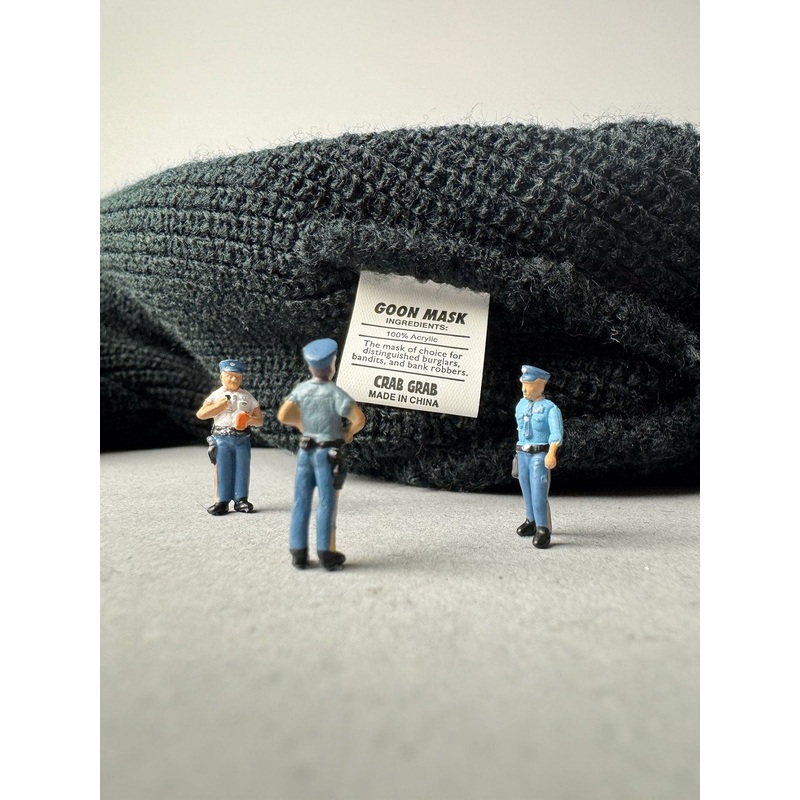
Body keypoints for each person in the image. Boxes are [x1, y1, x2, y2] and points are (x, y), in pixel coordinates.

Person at [277, 338, 366, 571]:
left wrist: (303, 426)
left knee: (300, 501)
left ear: (309, 367)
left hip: (305, 450)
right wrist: (347, 433)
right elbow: (358, 419)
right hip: (328, 453)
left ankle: (298, 552)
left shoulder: (301, 390)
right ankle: (326, 553)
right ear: (332, 366)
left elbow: (283, 415)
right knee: (326, 502)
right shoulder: (335, 393)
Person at [196, 359, 263, 515]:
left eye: (237, 377)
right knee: (223, 469)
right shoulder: (216, 395)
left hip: (242, 438)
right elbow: (201, 414)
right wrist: (219, 406)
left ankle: (241, 499)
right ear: (222, 377)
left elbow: (259, 420)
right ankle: (222, 501)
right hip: (222, 438)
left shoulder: (247, 397)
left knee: (242, 468)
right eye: (230, 376)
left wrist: (249, 420)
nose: (234, 379)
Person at [514, 365, 563, 549]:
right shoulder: (521, 405)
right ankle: (531, 521)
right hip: (522, 453)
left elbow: (556, 433)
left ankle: (543, 528)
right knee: (526, 489)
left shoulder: (550, 408)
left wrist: (552, 452)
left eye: (528, 386)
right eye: (523, 385)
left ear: (540, 385)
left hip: (539, 454)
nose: (524, 389)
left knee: (538, 492)